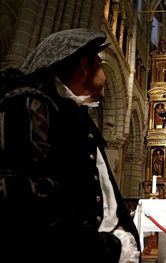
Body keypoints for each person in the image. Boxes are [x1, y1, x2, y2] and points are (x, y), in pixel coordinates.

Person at [2, 28, 141, 263]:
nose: (104, 73)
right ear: (84, 66)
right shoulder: (31, 107)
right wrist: (111, 248)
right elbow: (27, 210)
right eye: (100, 64)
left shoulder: (75, 113)